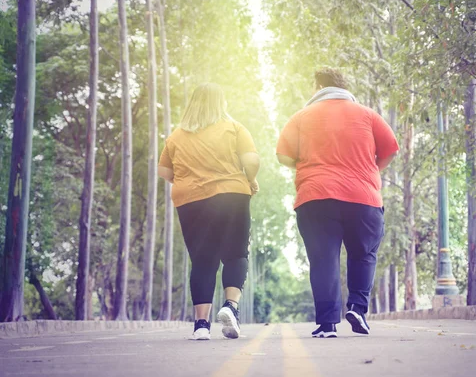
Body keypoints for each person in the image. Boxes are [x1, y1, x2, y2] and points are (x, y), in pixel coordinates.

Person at [276, 68, 399, 338]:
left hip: (316, 196)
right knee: (363, 253)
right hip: (363, 197)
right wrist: (371, 170)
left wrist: (305, 164)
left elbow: (282, 155)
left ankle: (327, 323)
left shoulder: (300, 117)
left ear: (318, 86)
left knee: (323, 260)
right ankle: (357, 307)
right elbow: (391, 148)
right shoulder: (367, 115)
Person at [158, 83, 260, 340]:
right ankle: (230, 307)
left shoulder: (176, 137)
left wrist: (190, 181)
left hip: (191, 201)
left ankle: (201, 325)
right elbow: (251, 160)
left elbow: (165, 172)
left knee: (203, 260)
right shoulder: (234, 128)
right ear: (221, 103)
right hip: (231, 194)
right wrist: (251, 178)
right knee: (236, 254)